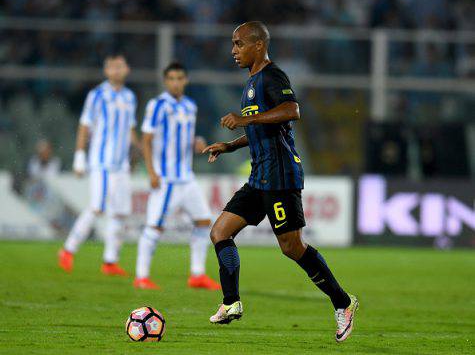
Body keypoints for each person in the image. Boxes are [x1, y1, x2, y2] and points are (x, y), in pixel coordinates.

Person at [203, 22, 358, 342]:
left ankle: (343, 303)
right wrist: (229, 145)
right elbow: (262, 127)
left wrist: (244, 119)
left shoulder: (272, 76)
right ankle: (231, 302)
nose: (233, 50)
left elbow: (291, 110)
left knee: (292, 247)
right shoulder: (251, 82)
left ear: (258, 45)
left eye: (239, 43)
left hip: (281, 176)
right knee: (220, 231)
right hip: (259, 176)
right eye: (232, 44)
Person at [133, 62, 220, 291]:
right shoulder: (158, 105)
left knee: (203, 222)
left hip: (187, 178)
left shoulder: (190, 106)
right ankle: (141, 276)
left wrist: (196, 143)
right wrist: (151, 172)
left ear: (186, 80)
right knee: (154, 227)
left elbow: (182, 139)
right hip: (166, 179)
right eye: (171, 78)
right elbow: (147, 140)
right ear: (165, 81)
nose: (176, 82)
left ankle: (197, 275)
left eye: (180, 78)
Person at [58, 53, 138, 276]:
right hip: (101, 161)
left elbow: (131, 130)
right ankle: (68, 249)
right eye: (111, 66)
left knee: (120, 212)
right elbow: (84, 126)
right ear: (106, 71)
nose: (116, 70)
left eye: (119, 66)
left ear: (126, 69)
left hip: (121, 164)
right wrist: (79, 156)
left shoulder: (130, 97)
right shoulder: (97, 95)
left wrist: (136, 155)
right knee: (97, 207)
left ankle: (110, 261)